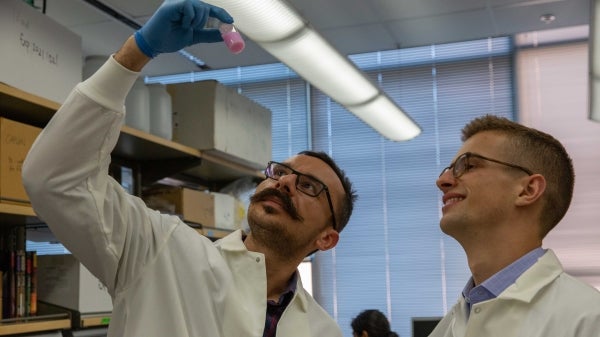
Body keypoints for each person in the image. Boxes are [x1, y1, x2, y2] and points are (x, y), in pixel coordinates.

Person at [21, 1, 357, 336]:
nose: (285, 184)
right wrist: (137, 51)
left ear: (326, 238)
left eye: (309, 186)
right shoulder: (161, 250)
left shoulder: (323, 331)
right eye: (281, 172)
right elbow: (54, 177)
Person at [431, 114, 600, 337]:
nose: (442, 181)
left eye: (469, 166)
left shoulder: (589, 319)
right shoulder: (448, 328)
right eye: (449, 169)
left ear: (527, 190)